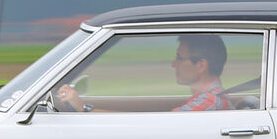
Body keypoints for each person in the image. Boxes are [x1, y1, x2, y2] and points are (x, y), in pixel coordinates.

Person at [55, 34, 233, 112]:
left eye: (179, 58)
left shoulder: (209, 102)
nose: (173, 64)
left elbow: (161, 127)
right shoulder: (208, 99)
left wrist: (83, 109)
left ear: (201, 65)